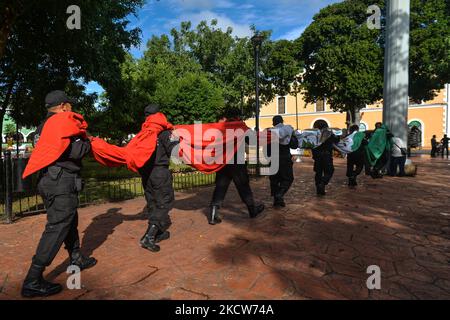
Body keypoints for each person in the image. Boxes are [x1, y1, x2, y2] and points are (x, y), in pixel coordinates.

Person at [21, 90, 96, 298]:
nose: (72, 108)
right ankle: (33, 279)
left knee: (69, 220)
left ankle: (76, 257)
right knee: (57, 226)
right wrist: (88, 141)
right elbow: (76, 151)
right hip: (60, 181)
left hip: (50, 180)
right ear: (63, 106)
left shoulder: (41, 127)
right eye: (69, 105)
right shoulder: (61, 124)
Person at [208, 115, 265, 225]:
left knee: (220, 188)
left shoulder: (218, 129)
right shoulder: (240, 127)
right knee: (244, 187)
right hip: (237, 163)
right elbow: (253, 142)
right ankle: (252, 210)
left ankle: (213, 214)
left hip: (223, 163)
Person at [139, 104, 179, 252]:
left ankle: (159, 232)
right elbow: (174, 151)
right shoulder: (164, 133)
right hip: (159, 173)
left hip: (146, 173)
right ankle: (148, 237)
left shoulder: (143, 133)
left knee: (153, 202)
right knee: (164, 203)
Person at [269, 115, 299, 208]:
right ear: (282, 121)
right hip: (284, 158)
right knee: (288, 178)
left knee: (274, 180)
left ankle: (277, 200)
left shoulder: (270, 132)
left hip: (273, 159)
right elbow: (294, 145)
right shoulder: (287, 131)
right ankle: (280, 195)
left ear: (273, 122)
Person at [312, 122, 340, 196]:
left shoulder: (314, 134)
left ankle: (319, 189)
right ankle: (323, 183)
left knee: (318, 172)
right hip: (326, 156)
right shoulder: (328, 133)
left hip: (317, 156)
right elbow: (337, 140)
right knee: (329, 171)